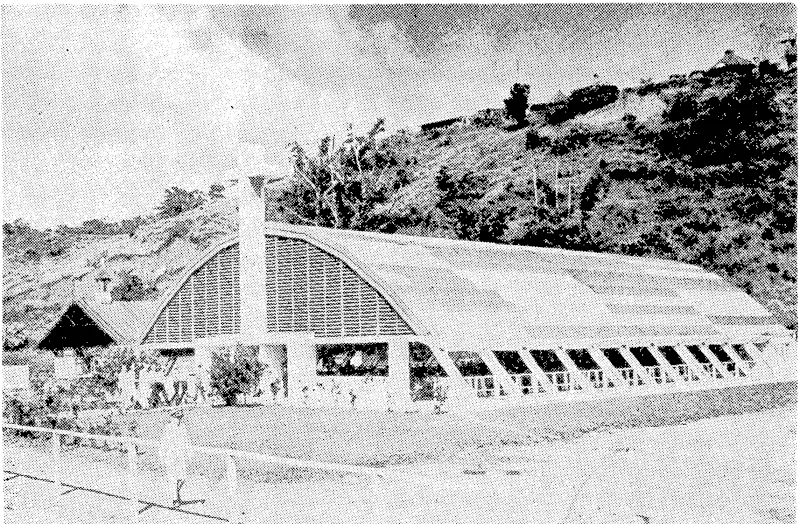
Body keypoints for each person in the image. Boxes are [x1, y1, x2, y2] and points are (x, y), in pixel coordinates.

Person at [157, 407, 201, 507]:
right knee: (174, 478)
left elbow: (187, 441)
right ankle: (175, 498)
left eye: (180, 417)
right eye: (176, 417)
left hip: (181, 456)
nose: (178, 420)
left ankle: (175, 494)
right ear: (172, 418)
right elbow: (164, 443)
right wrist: (162, 455)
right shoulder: (168, 428)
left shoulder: (183, 427)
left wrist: (189, 453)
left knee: (183, 478)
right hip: (171, 456)